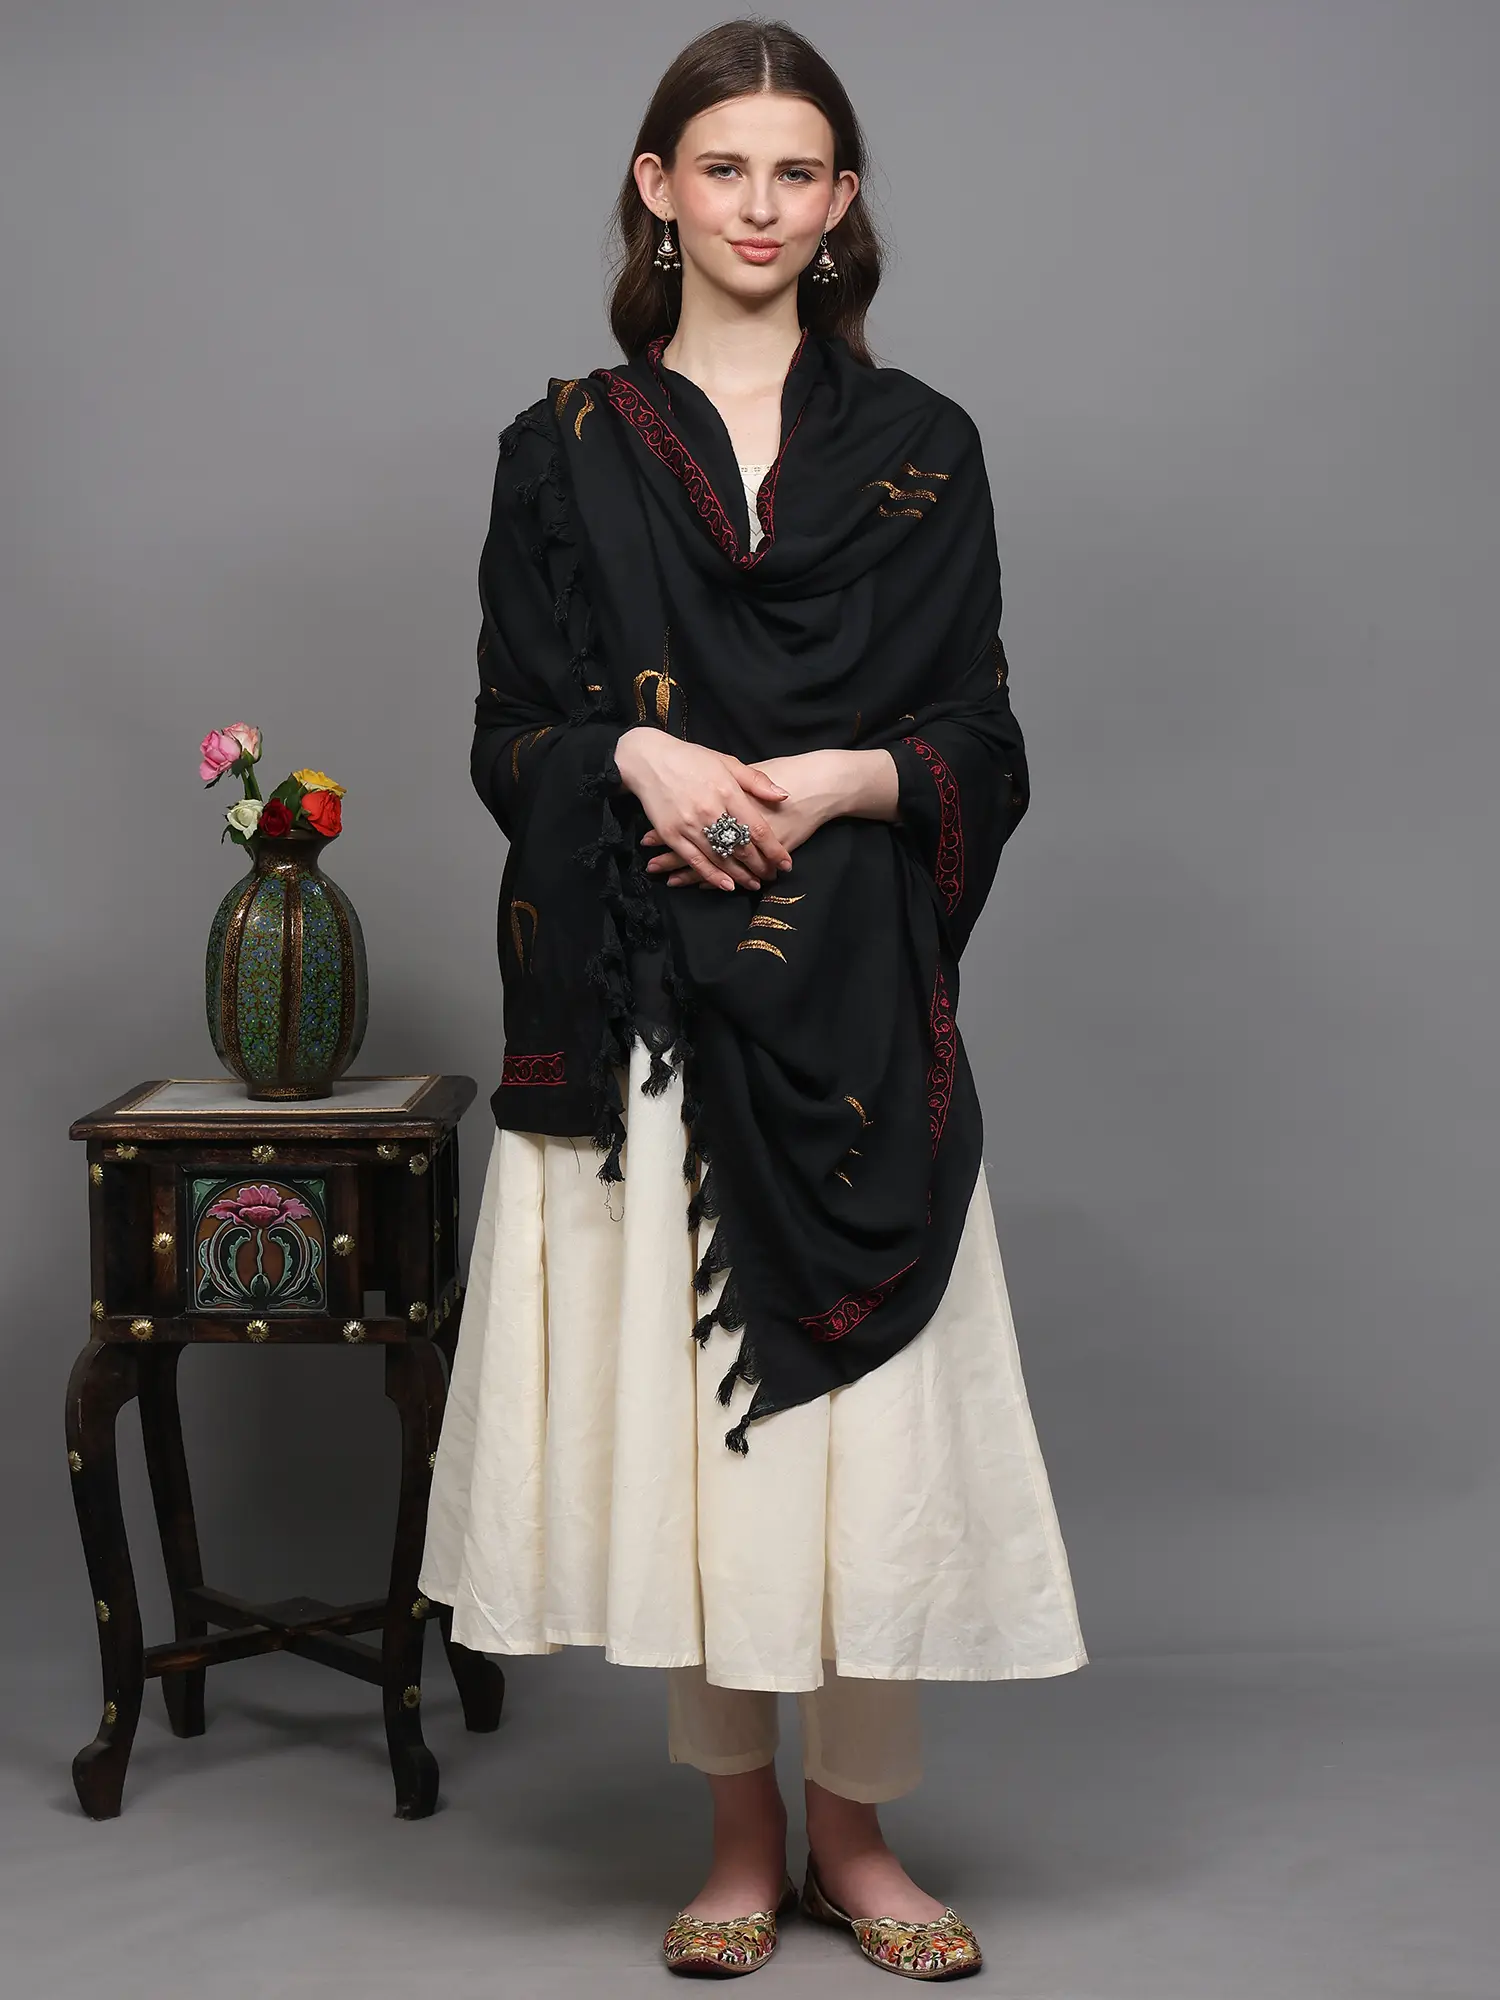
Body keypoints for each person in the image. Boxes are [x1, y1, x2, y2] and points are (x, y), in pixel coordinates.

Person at [418, 17, 1087, 1981]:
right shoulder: (561, 449)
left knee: (863, 1444)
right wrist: (636, 762)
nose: (761, 206)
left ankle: (857, 1838)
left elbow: (981, 734)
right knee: (704, 1432)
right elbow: (509, 731)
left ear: (843, 199)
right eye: (725, 169)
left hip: (856, 1002)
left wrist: (851, 779)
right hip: (648, 993)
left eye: (798, 172)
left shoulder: (925, 446)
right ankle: (736, 1833)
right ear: (659, 188)